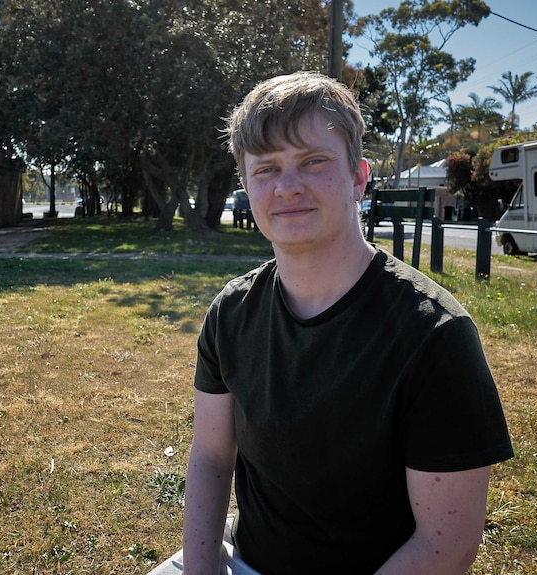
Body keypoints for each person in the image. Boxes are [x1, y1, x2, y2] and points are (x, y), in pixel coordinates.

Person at [182, 71, 513, 575]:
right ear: (246, 186)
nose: (288, 187)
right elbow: (209, 458)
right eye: (266, 169)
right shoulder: (230, 314)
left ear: (359, 177)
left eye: (313, 162)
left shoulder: (435, 336)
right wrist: (202, 570)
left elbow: (448, 544)